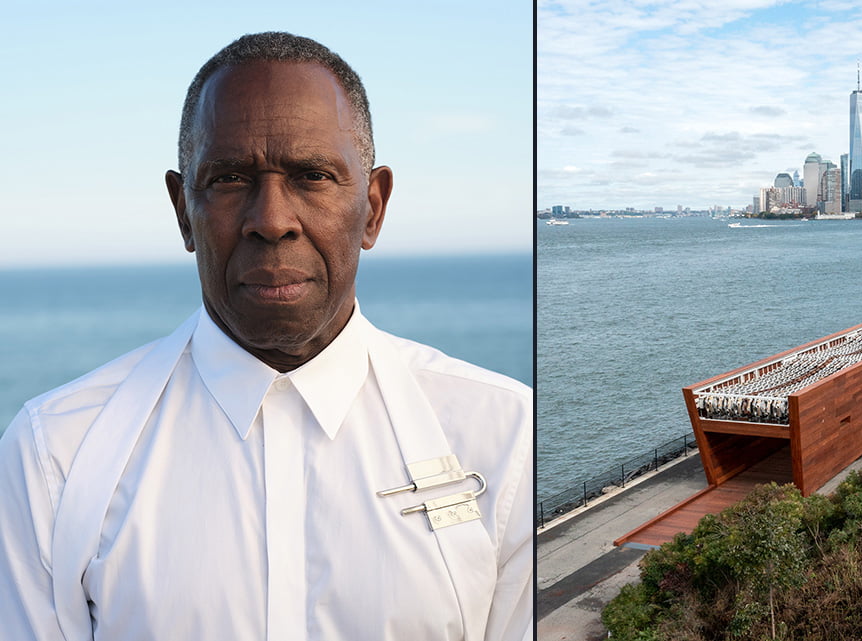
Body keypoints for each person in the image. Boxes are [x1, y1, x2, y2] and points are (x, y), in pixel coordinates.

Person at [0, 32, 532, 641]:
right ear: (183, 212)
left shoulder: (504, 436)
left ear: (373, 207)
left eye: (312, 175)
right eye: (229, 179)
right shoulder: (55, 454)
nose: (272, 220)